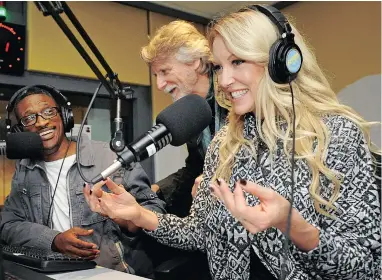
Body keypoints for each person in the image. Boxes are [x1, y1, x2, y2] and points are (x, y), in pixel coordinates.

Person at [85, 5, 381, 280]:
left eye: (237, 61)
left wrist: (293, 225)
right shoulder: (225, 143)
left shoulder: (338, 135)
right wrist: (139, 214)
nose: (225, 80)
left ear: (280, 61)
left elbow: (367, 266)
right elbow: (199, 233)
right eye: (218, 67)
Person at [0, 85, 166, 277]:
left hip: (113, 274)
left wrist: (125, 218)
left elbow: (156, 213)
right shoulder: (24, 170)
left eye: (48, 112)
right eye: (29, 118)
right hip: (55, 274)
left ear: (64, 115)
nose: (41, 122)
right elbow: (8, 224)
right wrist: (53, 240)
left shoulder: (111, 157)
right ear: (20, 129)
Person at [141, 20, 229, 217]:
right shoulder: (190, 111)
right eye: (156, 75)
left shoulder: (236, 95)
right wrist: (156, 191)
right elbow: (196, 168)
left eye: (164, 71)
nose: (160, 85)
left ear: (194, 61)